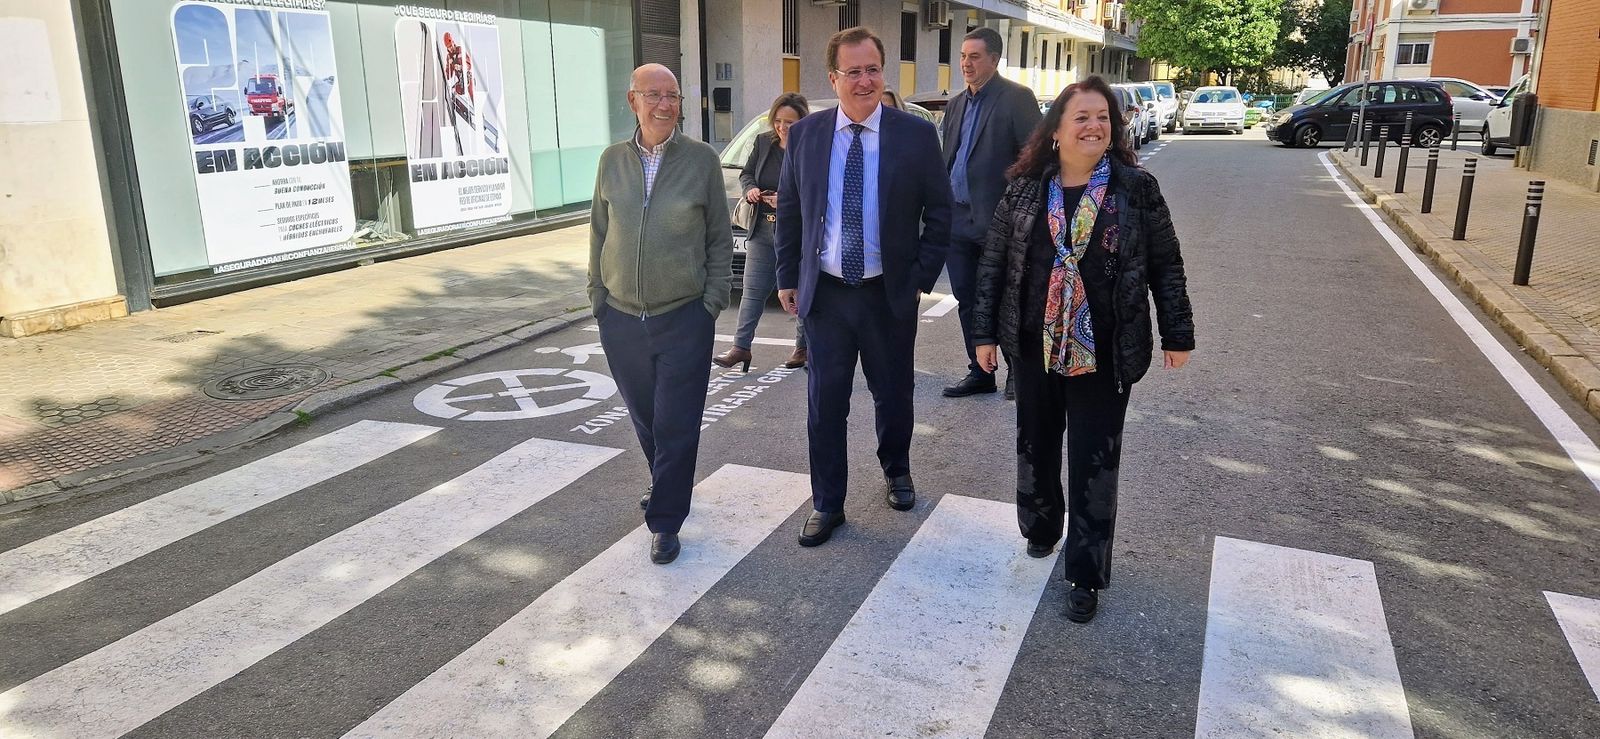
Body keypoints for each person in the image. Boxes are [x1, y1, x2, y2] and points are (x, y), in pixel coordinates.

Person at [971, 76, 1194, 623]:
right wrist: (981, 334)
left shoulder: (1136, 188)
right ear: (1056, 131)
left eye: (1103, 117)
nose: (1094, 126)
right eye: (1082, 117)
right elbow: (994, 265)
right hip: (1033, 344)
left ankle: (1085, 572)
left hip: (1107, 349)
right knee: (1037, 445)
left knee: (1095, 460)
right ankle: (1042, 528)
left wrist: (1178, 331)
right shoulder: (1025, 188)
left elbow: (1165, 262)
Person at [775, 27, 951, 546]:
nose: (865, 80)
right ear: (834, 78)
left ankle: (896, 468)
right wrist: (788, 276)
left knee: (893, 394)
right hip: (826, 294)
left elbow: (940, 212)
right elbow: (789, 209)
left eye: (872, 69)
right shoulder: (806, 135)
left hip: (887, 293)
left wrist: (920, 275)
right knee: (825, 403)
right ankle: (828, 503)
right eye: (853, 71)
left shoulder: (914, 135)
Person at [589, 63, 733, 565]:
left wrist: (711, 303)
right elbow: (599, 233)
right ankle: (665, 483)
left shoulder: (702, 161)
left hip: (683, 316)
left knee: (677, 422)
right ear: (633, 101)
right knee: (647, 418)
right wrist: (597, 298)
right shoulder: (611, 161)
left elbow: (718, 236)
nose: (664, 105)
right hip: (621, 318)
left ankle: (666, 520)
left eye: (672, 95)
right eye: (653, 95)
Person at [940, 27, 1042, 401]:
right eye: (963, 56)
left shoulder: (1016, 98)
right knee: (968, 299)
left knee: (1006, 298)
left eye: (975, 56)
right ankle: (980, 371)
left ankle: (1018, 372)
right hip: (958, 220)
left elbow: (1034, 162)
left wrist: (1021, 215)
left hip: (1001, 222)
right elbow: (946, 161)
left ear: (995, 60)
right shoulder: (955, 105)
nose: (966, 63)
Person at [713, 94, 810, 371]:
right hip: (762, 229)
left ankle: (802, 348)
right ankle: (741, 347)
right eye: (778, 121)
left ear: (802, 121)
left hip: (797, 232)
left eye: (790, 122)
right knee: (752, 291)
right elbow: (746, 174)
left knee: (800, 291)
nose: (782, 127)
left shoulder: (810, 147)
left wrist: (788, 200)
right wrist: (750, 189)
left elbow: (819, 187)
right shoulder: (763, 142)